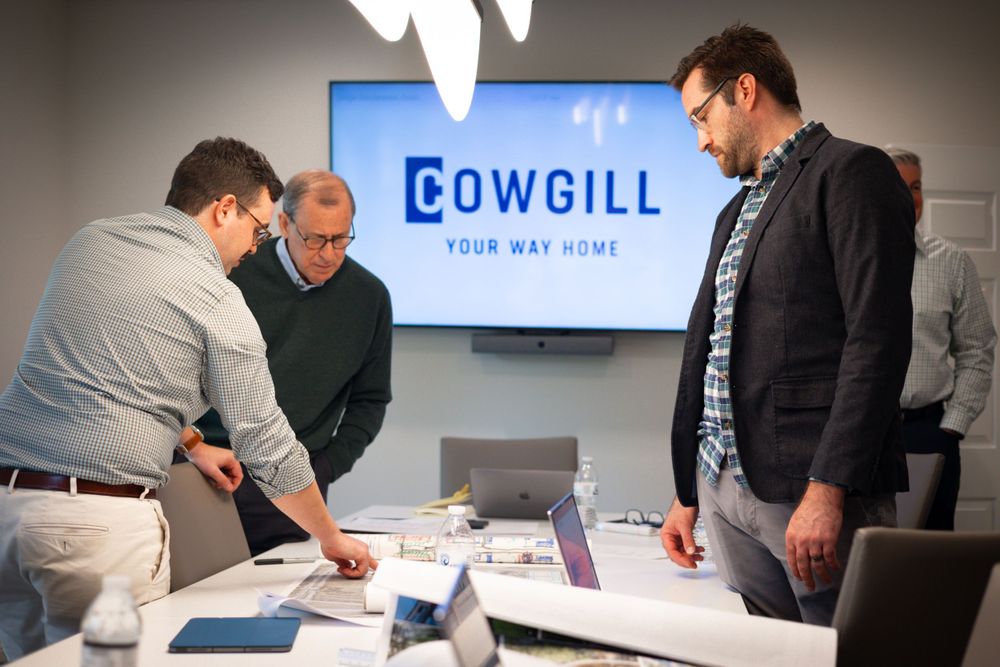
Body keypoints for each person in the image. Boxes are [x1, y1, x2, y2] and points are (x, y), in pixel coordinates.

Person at [0, 138, 375, 660]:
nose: (255, 246)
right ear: (225, 208)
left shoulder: (91, 242)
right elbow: (265, 442)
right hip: (95, 529)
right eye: (258, 228)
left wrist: (192, 441)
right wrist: (331, 539)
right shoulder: (216, 297)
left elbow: (103, 376)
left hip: (7, 510)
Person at [659, 25, 915, 625]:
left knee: (845, 650)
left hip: (812, 491)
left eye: (701, 117)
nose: (700, 141)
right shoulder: (740, 204)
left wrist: (828, 488)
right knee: (770, 652)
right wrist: (688, 491)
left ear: (744, 90)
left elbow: (877, 342)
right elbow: (717, 350)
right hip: (727, 487)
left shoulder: (852, 173)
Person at [196, 169, 393, 555]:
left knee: (280, 599)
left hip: (294, 479)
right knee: (193, 598)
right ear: (284, 223)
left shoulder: (369, 297)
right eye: (316, 239)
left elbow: (370, 400)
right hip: (209, 470)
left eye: (341, 238)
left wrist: (327, 466)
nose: (329, 254)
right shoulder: (234, 272)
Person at [886, 147, 996, 530]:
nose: (912, 198)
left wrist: (952, 425)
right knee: (862, 553)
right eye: (901, 186)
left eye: (917, 187)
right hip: (862, 433)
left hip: (928, 432)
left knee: (929, 559)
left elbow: (977, 350)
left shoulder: (951, 262)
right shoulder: (844, 259)